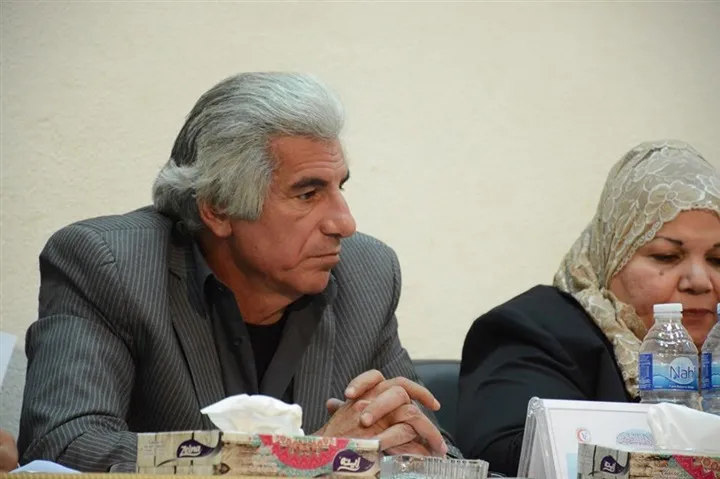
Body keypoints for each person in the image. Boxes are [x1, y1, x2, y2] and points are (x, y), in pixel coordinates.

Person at [18, 72, 458, 472]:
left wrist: (414, 458)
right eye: (307, 194)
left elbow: (439, 453)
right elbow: (63, 447)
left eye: (338, 188)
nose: (344, 223)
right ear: (218, 208)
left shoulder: (366, 273)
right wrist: (310, 458)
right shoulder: (111, 265)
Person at [457, 140, 720, 475]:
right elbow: (511, 458)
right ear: (612, 255)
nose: (699, 281)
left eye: (717, 259)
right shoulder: (533, 330)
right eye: (666, 256)